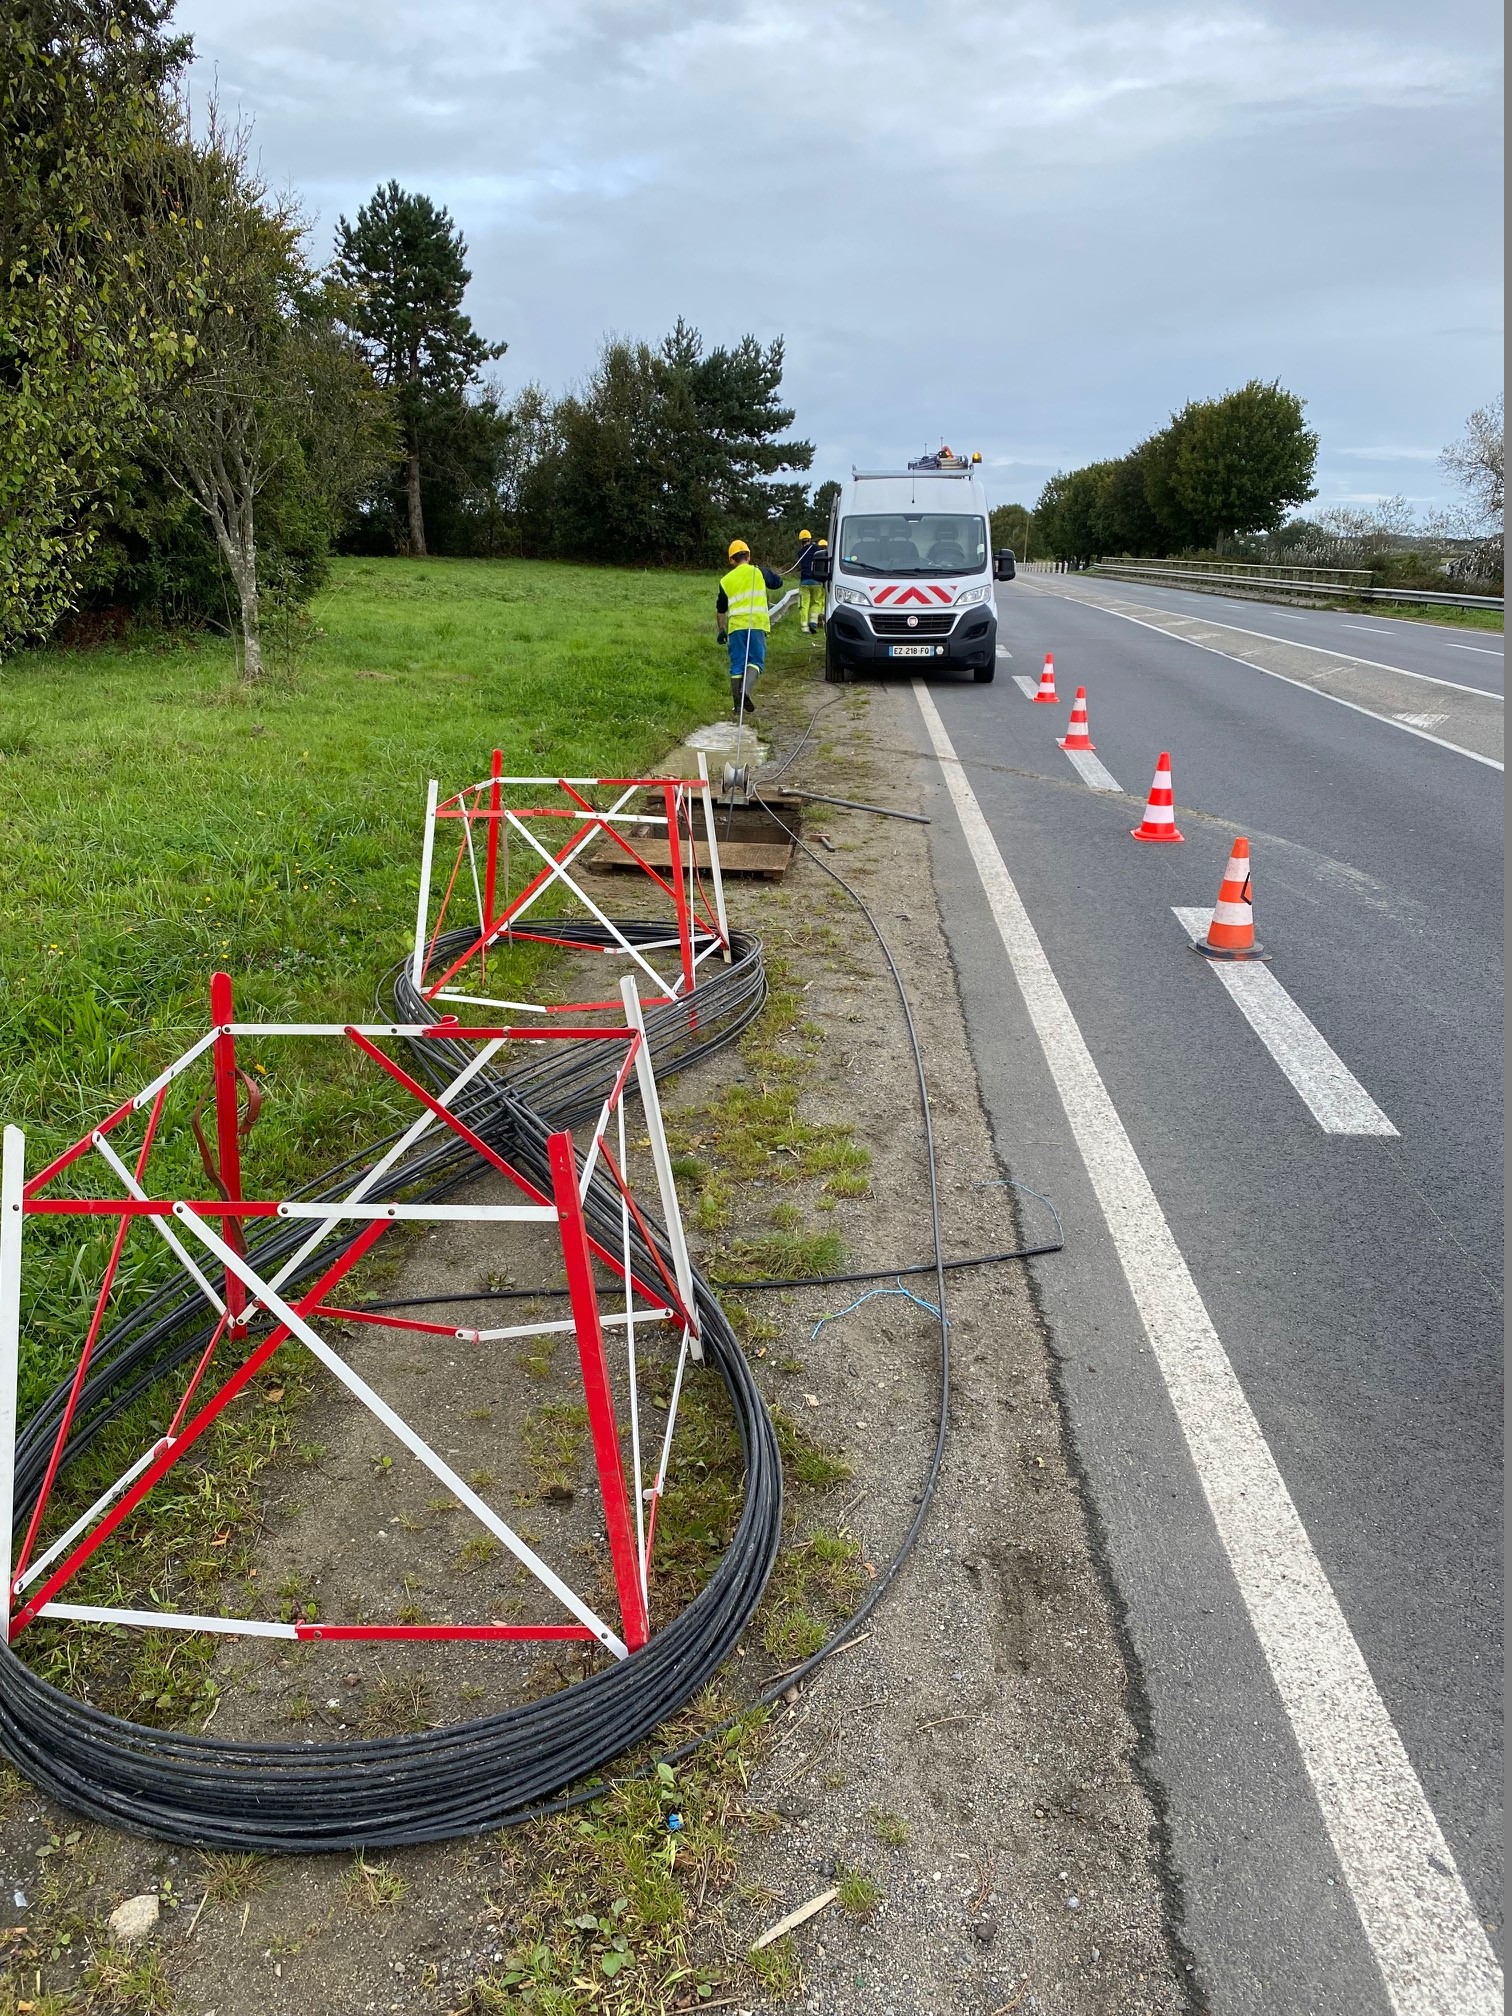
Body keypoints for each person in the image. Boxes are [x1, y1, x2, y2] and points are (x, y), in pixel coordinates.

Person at [716, 538, 783, 715]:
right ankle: (745, 692)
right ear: (749, 556)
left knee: (737, 664)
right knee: (755, 661)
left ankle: (738, 706)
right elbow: (778, 583)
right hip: (757, 624)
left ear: (731, 559)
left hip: (736, 627)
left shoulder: (725, 580)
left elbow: (720, 609)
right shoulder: (759, 572)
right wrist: (770, 574)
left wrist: (721, 630)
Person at [797, 528, 826, 635]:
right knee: (817, 602)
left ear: (801, 541)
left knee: (804, 604)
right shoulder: (817, 549)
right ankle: (813, 621)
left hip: (804, 582)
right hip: (817, 581)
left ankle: (804, 627)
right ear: (810, 538)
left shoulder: (800, 553)